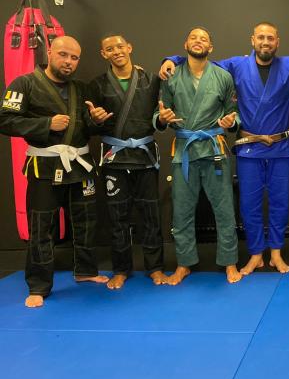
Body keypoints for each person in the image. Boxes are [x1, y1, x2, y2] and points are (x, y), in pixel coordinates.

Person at [159, 22, 289, 275]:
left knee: (280, 204)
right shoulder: (236, 65)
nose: (265, 42)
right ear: (252, 40)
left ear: (277, 42)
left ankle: (276, 253)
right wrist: (174, 59)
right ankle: (256, 254)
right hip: (249, 148)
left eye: (270, 38)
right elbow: (201, 62)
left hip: (280, 148)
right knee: (249, 205)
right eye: (261, 37)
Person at [0, 36, 109, 307]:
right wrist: (46, 124)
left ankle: (85, 270)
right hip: (45, 167)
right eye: (63, 55)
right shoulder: (24, 84)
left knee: (86, 221)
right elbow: (5, 120)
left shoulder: (81, 89)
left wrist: (96, 122)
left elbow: (87, 127)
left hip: (80, 164)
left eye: (74, 58)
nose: (68, 61)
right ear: (49, 52)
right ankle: (38, 285)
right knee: (42, 226)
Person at [154, 27, 240, 285]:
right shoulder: (170, 75)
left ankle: (230, 262)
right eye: (194, 37)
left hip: (214, 150)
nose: (198, 41)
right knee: (181, 211)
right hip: (185, 152)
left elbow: (233, 113)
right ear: (185, 44)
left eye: (204, 39)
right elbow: (160, 113)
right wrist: (162, 118)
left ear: (210, 47)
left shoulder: (223, 76)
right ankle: (184, 264)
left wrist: (231, 122)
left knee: (224, 209)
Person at [89, 34, 166, 289]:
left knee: (151, 215)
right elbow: (89, 122)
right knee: (117, 217)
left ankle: (155, 267)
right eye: (110, 49)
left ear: (130, 48)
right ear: (104, 54)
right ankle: (121, 269)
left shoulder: (151, 80)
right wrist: (94, 121)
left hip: (144, 157)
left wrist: (162, 119)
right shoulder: (98, 85)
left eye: (120, 46)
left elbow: (159, 116)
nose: (116, 51)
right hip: (114, 158)